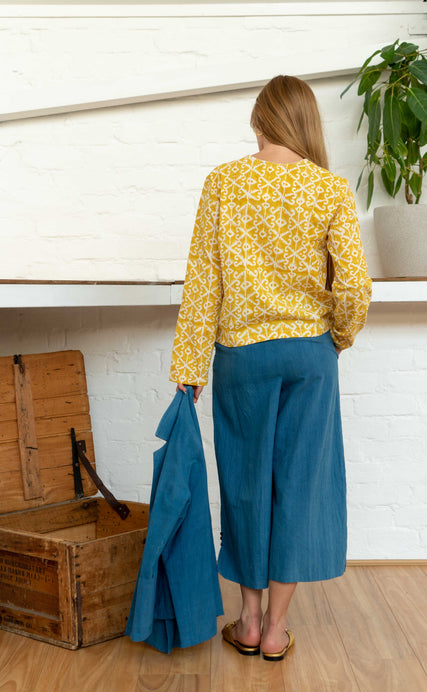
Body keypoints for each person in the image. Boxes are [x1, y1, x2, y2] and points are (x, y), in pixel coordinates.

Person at [168, 74, 372, 661]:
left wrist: (190, 365)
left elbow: (203, 282)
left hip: (243, 356)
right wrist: (337, 339)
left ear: (260, 122)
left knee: (245, 484)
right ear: (306, 123)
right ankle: (279, 629)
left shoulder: (224, 183)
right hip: (310, 355)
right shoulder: (330, 189)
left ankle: (250, 620)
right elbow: (354, 287)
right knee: (300, 485)